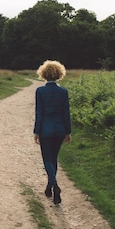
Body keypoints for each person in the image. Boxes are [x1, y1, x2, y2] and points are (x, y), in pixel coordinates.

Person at [33, 60, 72, 205]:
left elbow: (39, 113)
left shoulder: (40, 91)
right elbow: (65, 113)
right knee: (54, 158)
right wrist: (68, 131)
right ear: (59, 74)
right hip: (60, 130)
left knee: (47, 159)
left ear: (43, 74)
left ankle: (55, 185)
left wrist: (36, 131)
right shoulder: (63, 92)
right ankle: (49, 187)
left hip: (45, 130)